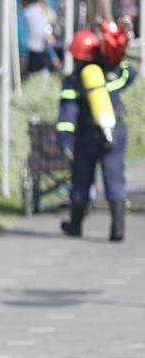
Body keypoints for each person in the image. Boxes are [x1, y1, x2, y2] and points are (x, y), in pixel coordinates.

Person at [58, 30, 137, 241]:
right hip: (114, 135)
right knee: (115, 179)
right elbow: (132, 75)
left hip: (86, 138)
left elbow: (67, 114)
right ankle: (117, 229)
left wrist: (65, 141)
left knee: (82, 180)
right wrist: (117, 59)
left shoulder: (74, 81)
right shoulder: (110, 74)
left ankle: (75, 225)